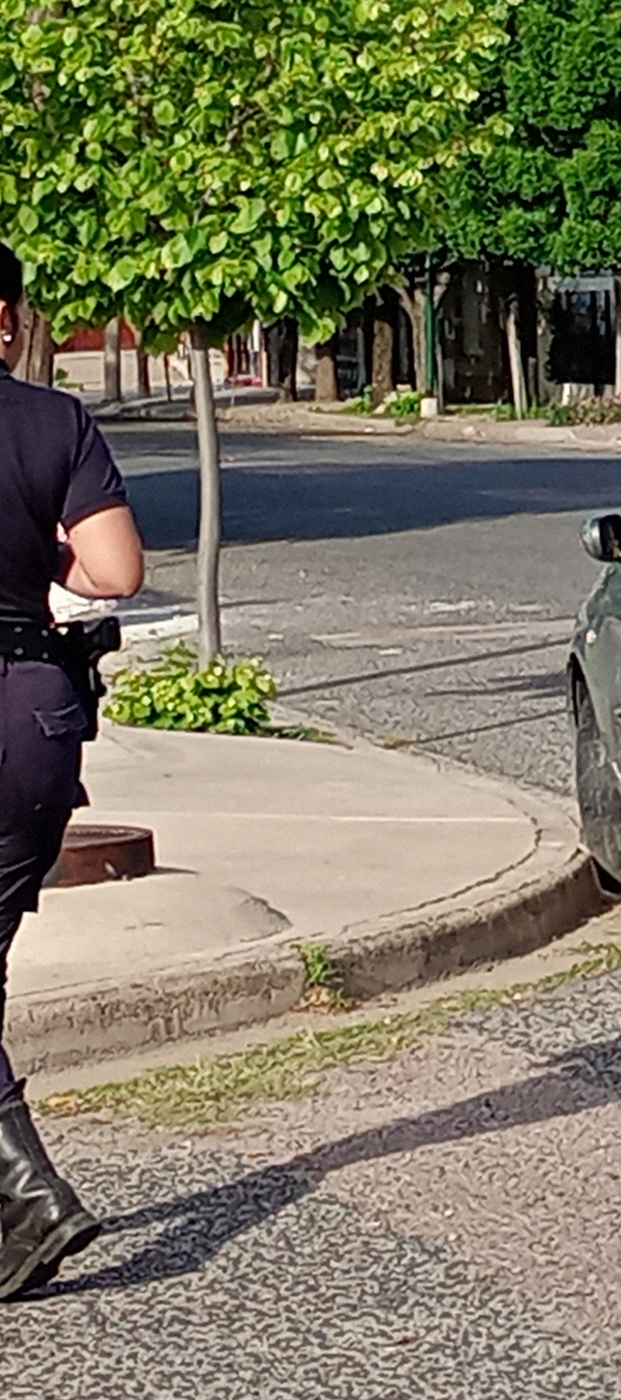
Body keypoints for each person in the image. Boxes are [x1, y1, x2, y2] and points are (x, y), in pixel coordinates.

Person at [0, 241, 144, 1299]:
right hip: (33, 719)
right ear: (7, 321)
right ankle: (19, 1206)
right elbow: (115, 570)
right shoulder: (55, 423)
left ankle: (30, 1192)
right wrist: (47, 555)